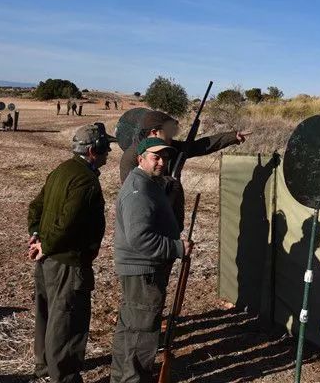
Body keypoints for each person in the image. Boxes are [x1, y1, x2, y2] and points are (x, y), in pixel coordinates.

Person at [27, 123, 116, 383]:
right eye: (105, 147)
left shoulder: (61, 170)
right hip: (68, 263)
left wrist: (36, 237)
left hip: (47, 261)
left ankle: (44, 369)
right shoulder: (86, 180)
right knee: (67, 322)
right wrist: (48, 243)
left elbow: (36, 207)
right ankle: (63, 377)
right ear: (92, 150)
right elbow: (68, 223)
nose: (109, 151)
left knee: (46, 314)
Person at [110, 137, 194, 383]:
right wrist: (177, 247)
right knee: (142, 333)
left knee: (131, 329)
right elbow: (140, 238)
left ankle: (122, 378)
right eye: (155, 157)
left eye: (164, 157)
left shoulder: (148, 183)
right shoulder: (139, 189)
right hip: (144, 272)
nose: (161, 162)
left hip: (141, 271)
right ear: (140, 159)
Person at [119, 110, 250, 225]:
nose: (172, 136)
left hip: (172, 218)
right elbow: (135, 193)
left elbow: (200, 146)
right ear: (154, 132)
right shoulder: (131, 157)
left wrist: (232, 137)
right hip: (150, 222)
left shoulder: (170, 147)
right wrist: (170, 181)